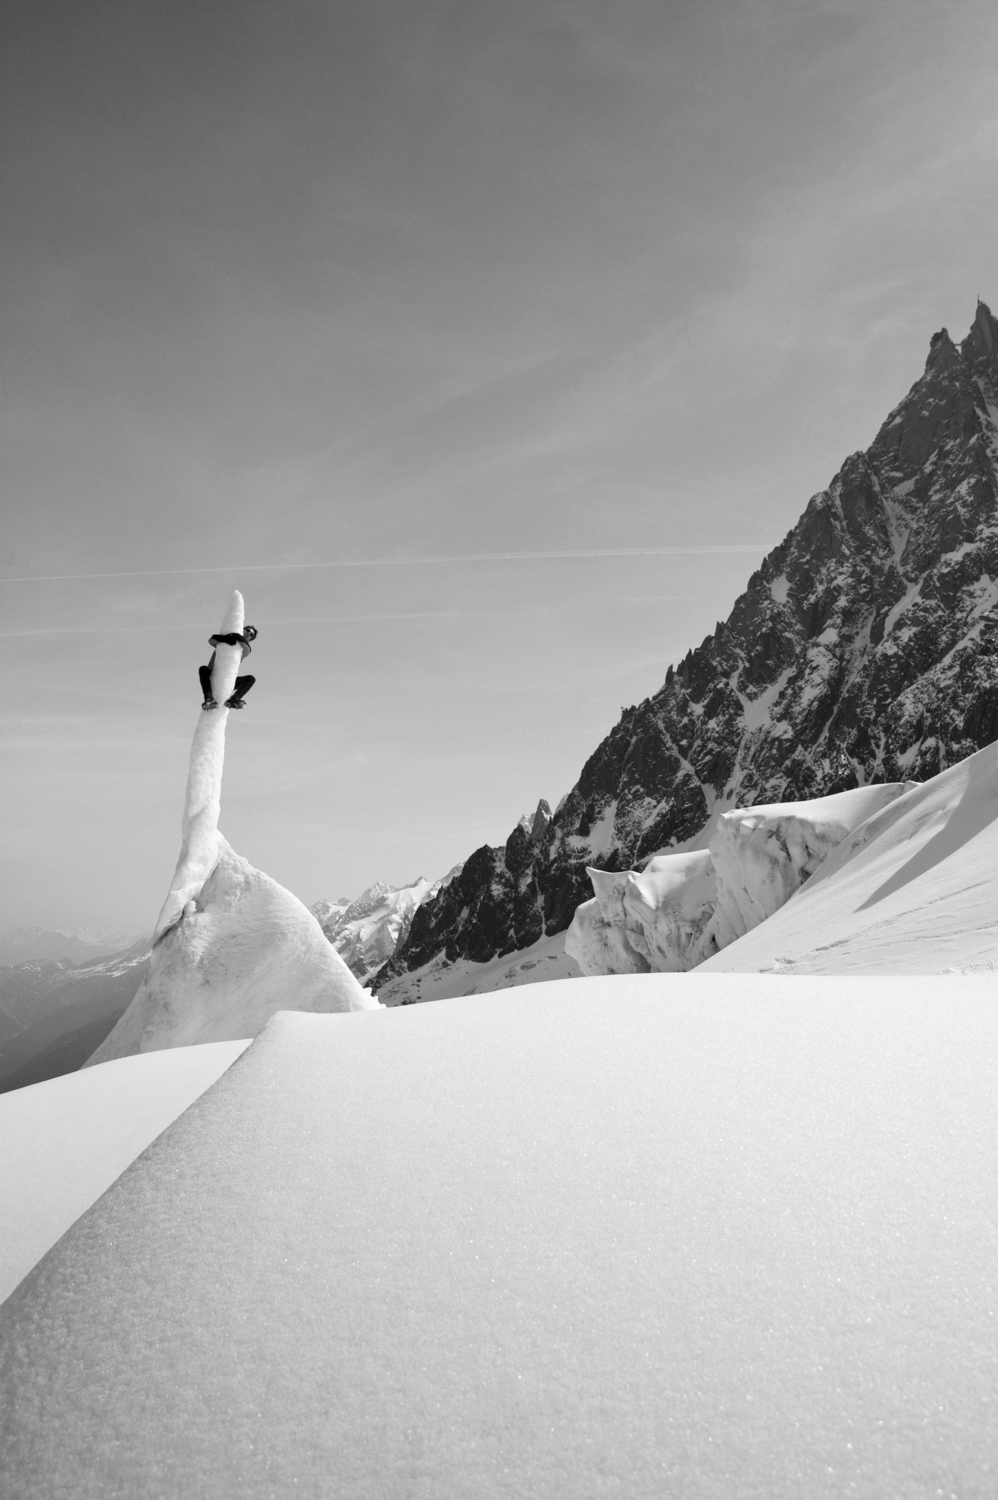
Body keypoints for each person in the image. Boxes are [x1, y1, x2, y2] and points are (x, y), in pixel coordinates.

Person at [199, 624, 258, 710]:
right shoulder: (223, 643)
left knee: (250, 679)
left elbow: (246, 647)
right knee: (203, 669)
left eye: (251, 634)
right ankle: (209, 699)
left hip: (228, 680)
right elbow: (212, 640)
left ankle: (234, 699)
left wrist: (234, 636)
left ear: (250, 639)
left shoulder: (243, 649)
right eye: (247, 630)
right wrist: (224, 638)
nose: (248, 633)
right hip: (211, 676)